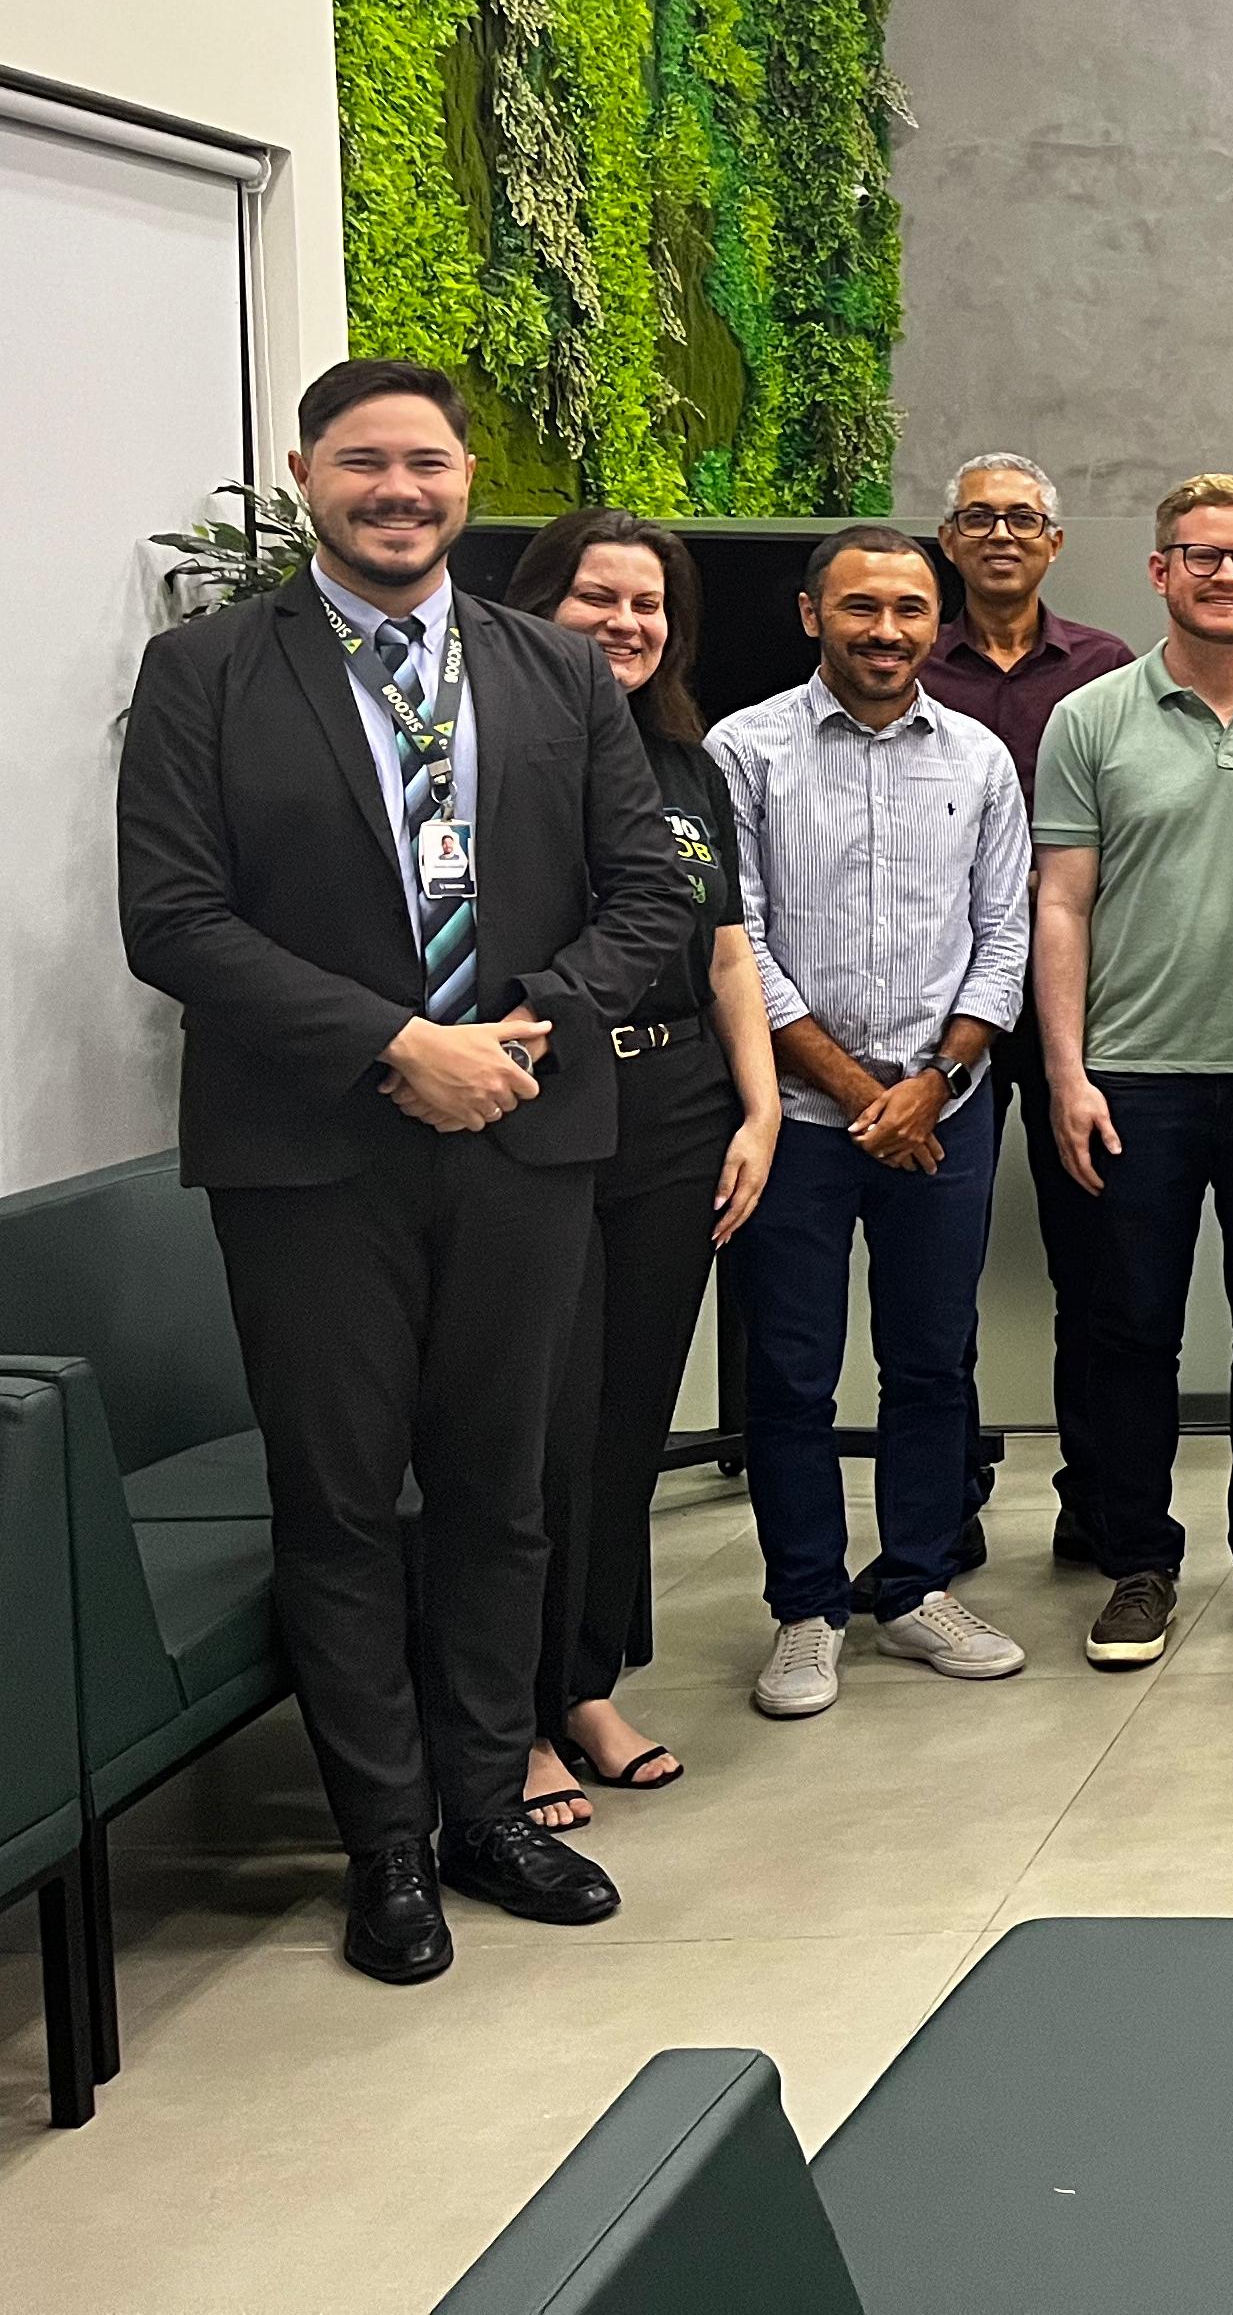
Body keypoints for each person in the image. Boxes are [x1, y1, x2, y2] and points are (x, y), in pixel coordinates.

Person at [118, 360, 695, 1984]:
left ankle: (487, 1808)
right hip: (310, 1153)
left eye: (426, 461)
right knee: (345, 1498)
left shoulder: (555, 670)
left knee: (504, 1490)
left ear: (463, 480)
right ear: (307, 473)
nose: (398, 487)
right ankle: (384, 1842)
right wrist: (393, 1044)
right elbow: (174, 917)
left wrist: (524, 1029)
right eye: (363, 459)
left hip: (523, 1132)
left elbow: (647, 891)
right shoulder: (206, 672)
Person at [709, 526, 1036, 1720]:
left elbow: (1004, 935)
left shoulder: (980, 757)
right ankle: (807, 1607)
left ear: (935, 623)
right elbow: (737, 944)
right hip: (796, 1121)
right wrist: (864, 1097)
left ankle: (915, 1586)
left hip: (943, 1112)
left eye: (909, 609)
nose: (887, 631)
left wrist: (934, 1081)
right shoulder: (744, 751)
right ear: (813, 615)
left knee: (932, 1362)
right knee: (792, 1372)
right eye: (861, 607)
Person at [1030, 475, 1233, 1672]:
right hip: (1134, 1079)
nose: (1226, 575)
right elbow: (1061, 906)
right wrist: (1066, 1074)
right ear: (1159, 570)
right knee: (1129, 1330)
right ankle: (1138, 1563)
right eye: (1201, 555)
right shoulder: (1090, 720)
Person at [501, 512, 783, 1830]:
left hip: (677, 1102)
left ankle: (587, 1685)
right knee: (540, 1421)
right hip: (542, 1096)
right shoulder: (495, 757)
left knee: (626, 1420)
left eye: (650, 602)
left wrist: (759, 1106)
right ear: (535, 606)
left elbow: (726, 949)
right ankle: (511, 1714)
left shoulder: (685, 764)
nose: (627, 623)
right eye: (596, 597)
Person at [918, 454, 1135, 1566]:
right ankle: (943, 1502)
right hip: (933, 1005)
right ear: (948, 539)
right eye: (979, 518)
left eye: (1023, 519)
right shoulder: (906, 658)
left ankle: (1095, 1500)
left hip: (1069, 1006)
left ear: (1055, 541)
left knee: (1092, 1264)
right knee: (936, 1271)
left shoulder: (1107, 671)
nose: (1001, 535)